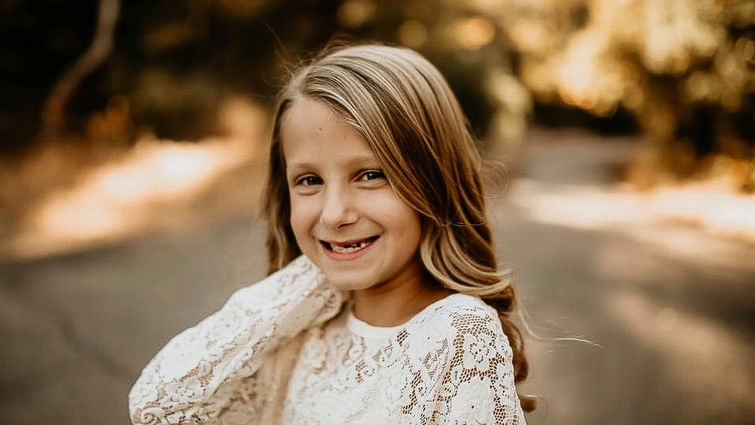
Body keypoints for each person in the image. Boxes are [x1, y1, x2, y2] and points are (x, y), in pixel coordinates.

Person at [128, 43, 535, 425]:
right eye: (309, 180)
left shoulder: (458, 336)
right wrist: (315, 275)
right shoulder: (304, 329)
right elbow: (161, 404)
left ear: (433, 181)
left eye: (371, 175)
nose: (334, 214)